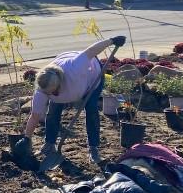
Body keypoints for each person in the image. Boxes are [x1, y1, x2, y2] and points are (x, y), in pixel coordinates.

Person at [16, 35, 126, 165]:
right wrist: (27, 138)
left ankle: (93, 148)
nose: (52, 95)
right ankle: (49, 144)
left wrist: (112, 41)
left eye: (54, 91)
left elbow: (91, 51)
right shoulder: (42, 88)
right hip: (69, 73)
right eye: (48, 93)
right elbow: (34, 116)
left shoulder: (75, 67)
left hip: (92, 78)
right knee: (53, 110)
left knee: (91, 109)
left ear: (60, 83)